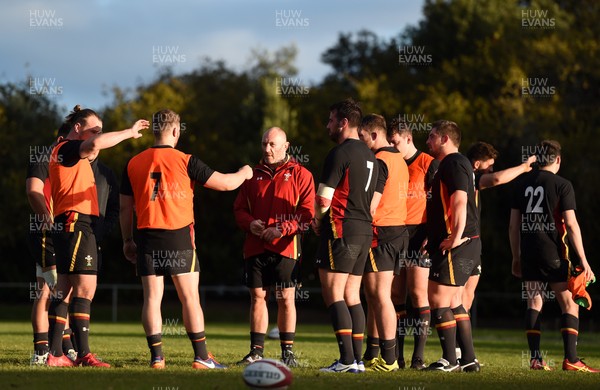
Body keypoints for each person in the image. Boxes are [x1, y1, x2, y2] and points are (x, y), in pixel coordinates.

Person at [120, 109, 253, 369]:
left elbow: (125, 208)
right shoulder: (185, 160)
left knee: (151, 298)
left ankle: (157, 357)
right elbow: (225, 184)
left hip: (147, 235)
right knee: (190, 297)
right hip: (178, 235)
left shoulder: (133, 162)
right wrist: (244, 172)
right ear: (175, 130)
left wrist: (127, 240)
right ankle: (202, 356)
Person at [46, 105, 149, 367]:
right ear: (78, 129)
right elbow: (96, 144)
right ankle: (83, 354)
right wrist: (130, 131)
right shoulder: (68, 147)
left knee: (65, 288)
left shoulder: (68, 153)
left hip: (70, 223)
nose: (97, 136)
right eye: (93, 130)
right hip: (76, 222)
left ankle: (56, 354)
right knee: (85, 288)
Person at [510, 140, 599, 372]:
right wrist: (584, 259)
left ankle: (536, 359)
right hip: (554, 253)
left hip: (529, 252)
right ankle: (571, 359)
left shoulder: (521, 184)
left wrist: (516, 256)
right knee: (569, 304)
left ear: (537, 160)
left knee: (534, 302)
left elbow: (513, 226)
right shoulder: (563, 185)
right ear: (557, 159)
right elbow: (571, 224)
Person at [233, 127, 315, 368]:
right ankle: (255, 352)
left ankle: (287, 353)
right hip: (255, 246)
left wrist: (282, 229)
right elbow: (239, 210)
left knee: (285, 297)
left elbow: (307, 213)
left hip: (286, 247)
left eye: (272, 144)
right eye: (264, 144)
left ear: (286, 146)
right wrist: (251, 224)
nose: (267, 149)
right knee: (258, 297)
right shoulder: (251, 174)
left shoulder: (301, 174)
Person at [448, 141, 536, 360]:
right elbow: (497, 179)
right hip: (462, 243)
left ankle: (460, 350)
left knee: (465, 297)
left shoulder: (465, 174)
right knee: (456, 298)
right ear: (477, 164)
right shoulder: (469, 174)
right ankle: (457, 351)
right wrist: (524, 168)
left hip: (471, 244)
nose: (491, 170)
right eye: (489, 165)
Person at [313, 99, 377, 373]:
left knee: (333, 294)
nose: (327, 125)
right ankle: (357, 360)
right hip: (364, 230)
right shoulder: (371, 155)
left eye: (330, 120)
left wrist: (316, 219)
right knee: (352, 294)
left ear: (343, 122)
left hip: (341, 228)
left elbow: (323, 197)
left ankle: (347, 360)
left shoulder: (339, 153)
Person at [423, 120, 479, 372]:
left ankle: (450, 359)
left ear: (445, 139)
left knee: (438, 300)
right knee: (455, 300)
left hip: (457, 243)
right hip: (460, 242)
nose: (428, 141)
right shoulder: (453, 163)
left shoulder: (454, 162)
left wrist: (456, 236)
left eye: (432, 136)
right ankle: (468, 359)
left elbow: (459, 200)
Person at [357, 114, 409, 372]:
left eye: (362, 137)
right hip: (397, 231)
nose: (360, 141)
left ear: (374, 135)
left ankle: (389, 358)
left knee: (380, 296)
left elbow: (373, 202)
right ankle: (373, 352)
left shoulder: (379, 160)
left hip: (383, 232)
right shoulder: (399, 157)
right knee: (374, 295)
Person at [388, 118, 438, 370]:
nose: (392, 146)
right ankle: (396, 355)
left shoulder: (428, 163)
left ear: (408, 138)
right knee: (396, 295)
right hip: (395, 232)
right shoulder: (390, 163)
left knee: (419, 294)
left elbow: (440, 202)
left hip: (420, 233)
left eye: (395, 142)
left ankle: (418, 357)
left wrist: (433, 231)